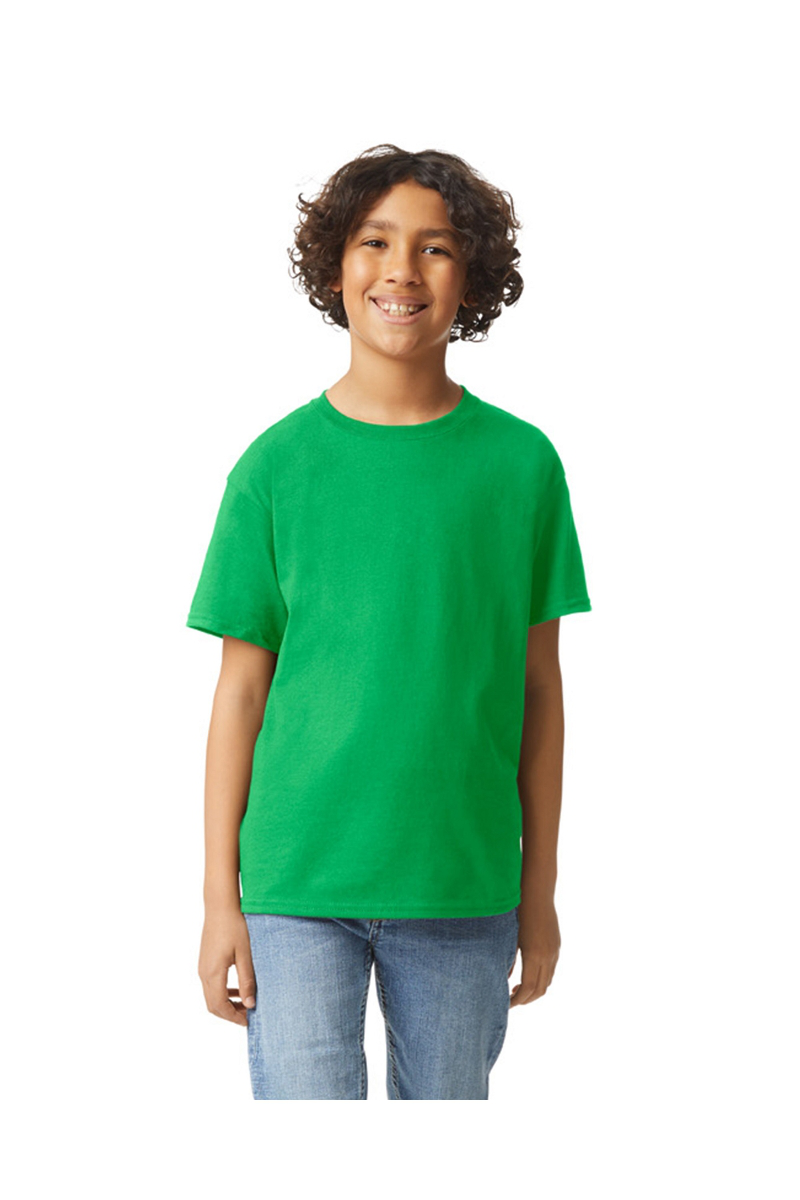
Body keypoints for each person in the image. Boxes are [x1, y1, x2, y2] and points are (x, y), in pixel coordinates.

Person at [186, 143, 592, 1100]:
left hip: (462, 884)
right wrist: (217, 899)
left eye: (435, 247)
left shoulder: (522, 467)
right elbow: (240, 695)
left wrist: (539, 893)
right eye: (375, 242)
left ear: (471, 279)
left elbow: (540, 693)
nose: (402, 269)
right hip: (295, 884)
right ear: (335, 268)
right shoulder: (273, 468)